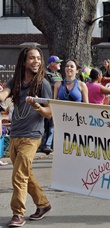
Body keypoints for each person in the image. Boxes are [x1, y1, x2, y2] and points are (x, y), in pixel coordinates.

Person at [0, 46, 52, 227]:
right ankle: (43, 204)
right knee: (25, 174)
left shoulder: (43, 84)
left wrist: (39, 108)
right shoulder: (15, 81)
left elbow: (49, 112)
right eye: (32, 58)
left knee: (19, 175)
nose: (36, 61)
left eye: (38, 58)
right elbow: (4, 94)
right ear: (24, 61)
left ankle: (18, 214)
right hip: (15, 134)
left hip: (32, 136)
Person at [38, 55, 63, 154]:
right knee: (47, 124)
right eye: (58, 62)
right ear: (52, 64)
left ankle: (49, 144)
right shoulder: (46, 74)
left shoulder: (59, 75)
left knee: (53, 124)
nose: (60, 64)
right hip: (48, 101)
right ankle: (45, 144)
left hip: (57, 101)